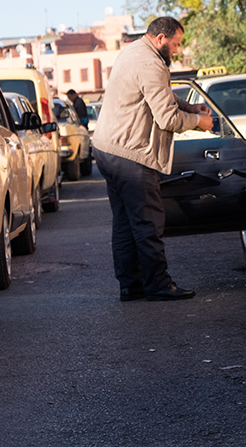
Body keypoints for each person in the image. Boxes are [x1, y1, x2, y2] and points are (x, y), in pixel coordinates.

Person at [91, 16, 213, 302]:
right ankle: (158, 284)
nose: (176, 50)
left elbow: (159, 95)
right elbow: (167, 117)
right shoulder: (150, 62)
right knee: (148, 221)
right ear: (160, 39)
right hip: (130, 153)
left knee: (124, 222)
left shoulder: (134, 52)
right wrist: (198, 121)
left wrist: (189, 105)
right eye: (175, 45)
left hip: (108, 149)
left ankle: (130, 285)